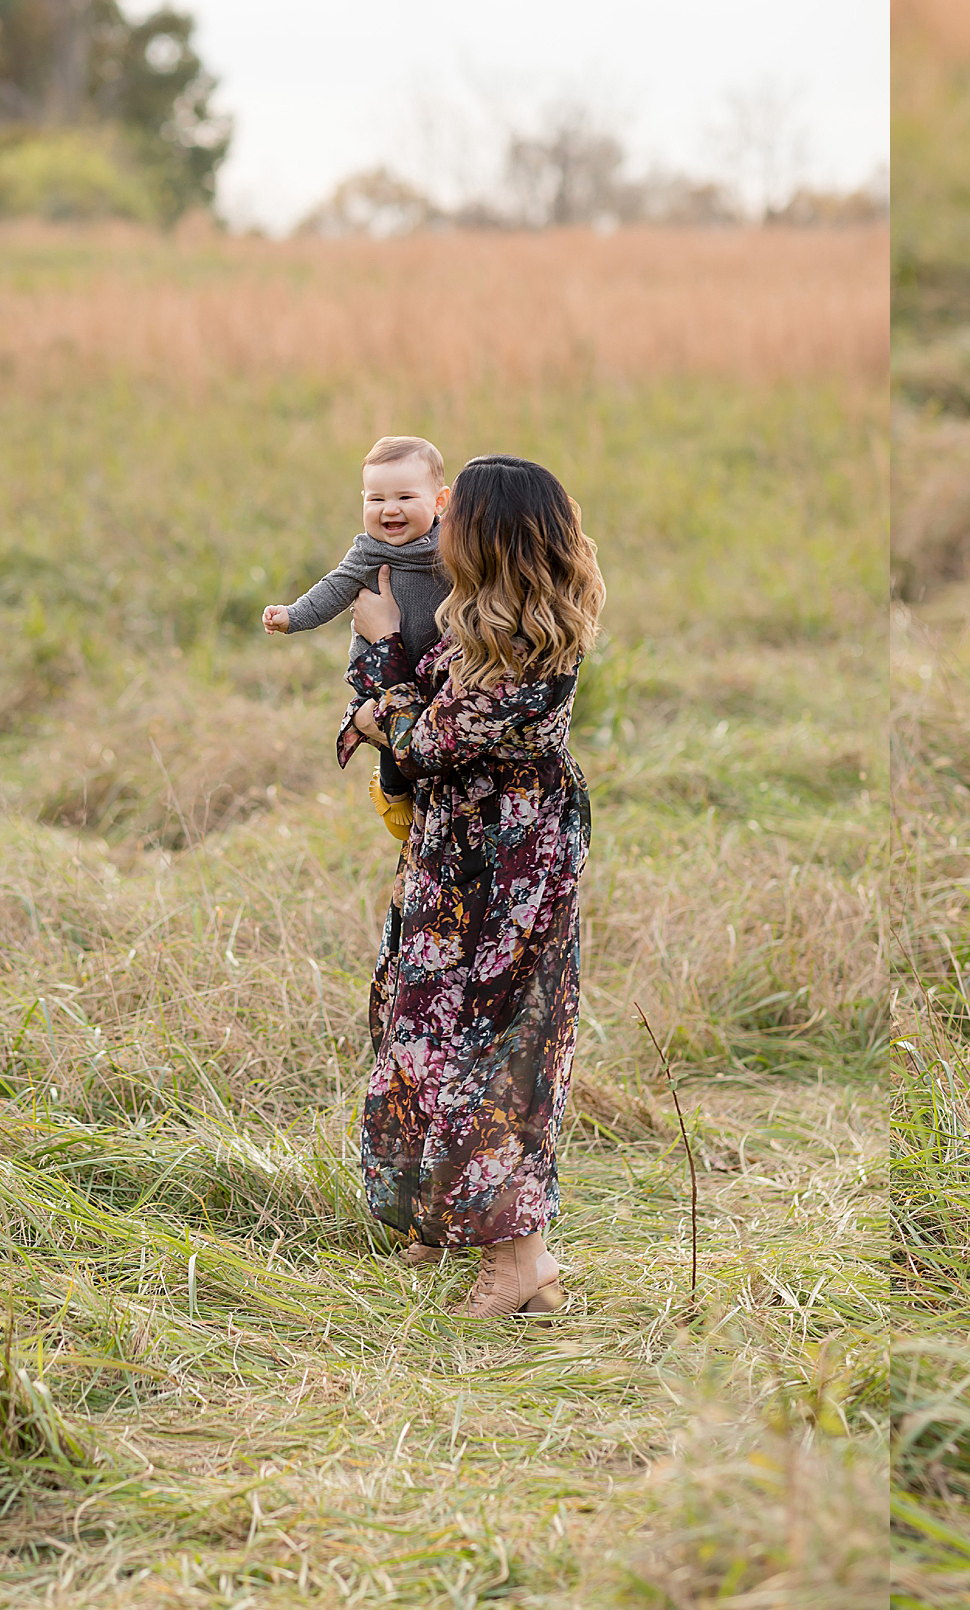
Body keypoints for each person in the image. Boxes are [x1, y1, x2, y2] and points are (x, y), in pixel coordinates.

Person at [341, 455, 603, 1318]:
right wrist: (396, 683)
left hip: (510, 864)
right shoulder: (474, 622)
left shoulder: (526, 644)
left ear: (488, 536)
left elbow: (426, 740)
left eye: (454, 515)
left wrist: (380, 651)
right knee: (421, 1019)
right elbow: (419, 714)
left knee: (493, 1044)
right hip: (456, 854)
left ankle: (521, 1260)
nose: (435, 525)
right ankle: (442, 1219)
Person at [265, 434, 453, 840]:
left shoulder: (452, 548)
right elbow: (334, 589)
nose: (389, 510)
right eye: (375, 499)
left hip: (438, 668)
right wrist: (292, 616)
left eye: (405, 498)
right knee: (392, 737)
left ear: (439, 502)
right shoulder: (368, 552)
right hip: (383, 668)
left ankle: (428, 802)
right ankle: (392, 793)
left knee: (433, 740)